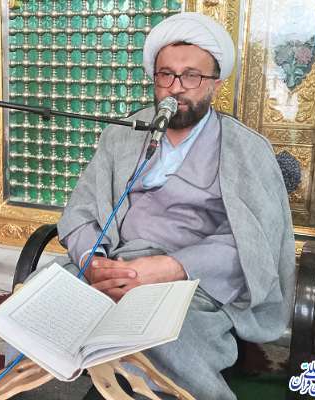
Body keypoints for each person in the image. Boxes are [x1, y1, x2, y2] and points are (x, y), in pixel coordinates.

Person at [55, 12, 296, 399]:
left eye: (191, 76)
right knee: (42, 308)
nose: (176, 88)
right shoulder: (123, 133)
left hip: (191, 283)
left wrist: (171, 267)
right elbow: (82, 209)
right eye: (166, 75)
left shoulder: (246, 149)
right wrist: (92, 261)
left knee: (164, 339)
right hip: (111, 265)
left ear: (215, 83)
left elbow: (255, 244)